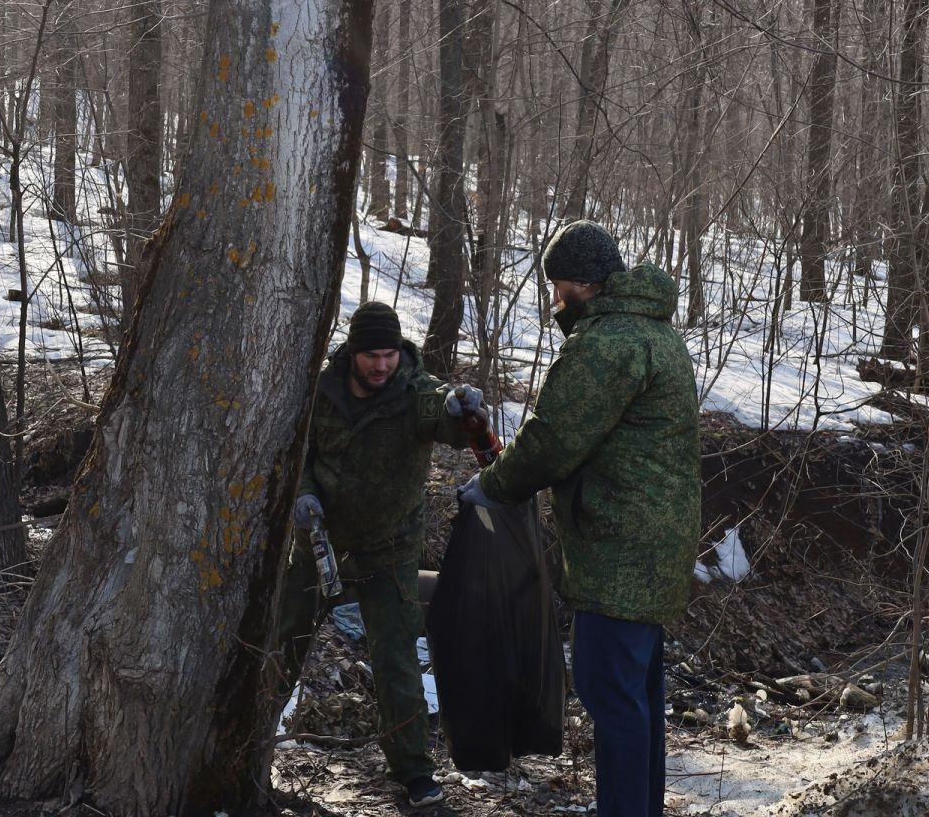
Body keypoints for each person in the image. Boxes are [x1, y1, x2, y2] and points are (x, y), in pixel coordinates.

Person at [459, 220, 700, 817]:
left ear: (581, 284)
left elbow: (553, 439)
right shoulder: (655, 332)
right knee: (636, 696)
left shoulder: (609, 343)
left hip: (618, 552)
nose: (554, 296)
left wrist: (492, 486)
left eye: (558, 283)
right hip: (654, 547)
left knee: (609, 694)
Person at [274, 300, 484, 810]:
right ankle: (247, 745)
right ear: (353, 353)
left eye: (389, 355)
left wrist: (463, 409)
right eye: (372, 356)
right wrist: (303, 493)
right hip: (319, 544)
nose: (382, 366)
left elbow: (448, 420)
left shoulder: (415, 391)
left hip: (390, 549)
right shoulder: (322, 392)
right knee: (281, 646)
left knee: (395, 662)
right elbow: (299, 454)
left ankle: (414, 773)